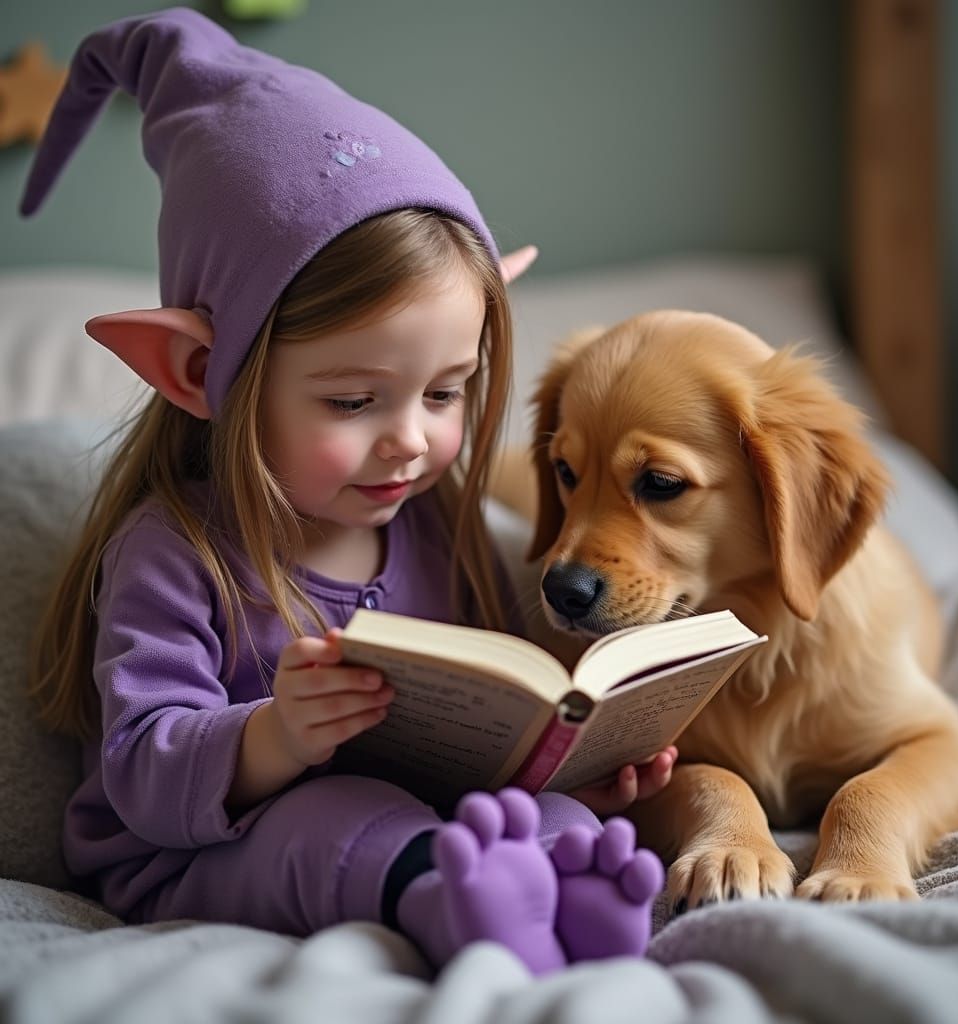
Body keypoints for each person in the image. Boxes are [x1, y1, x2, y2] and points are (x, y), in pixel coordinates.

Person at [22, 9, 677, 975]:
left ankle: (566, 884)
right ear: (204, 374)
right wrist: (275, 735)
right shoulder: (174, 550)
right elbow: (139, 773)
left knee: (547, 818)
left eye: (445, 393)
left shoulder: (440, 525)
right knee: (336, 813)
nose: (412, 440)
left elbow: (492, 734)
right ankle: (460, 901)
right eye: (353, 400)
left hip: (439, 824)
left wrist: (574, 771)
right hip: (202, 854)